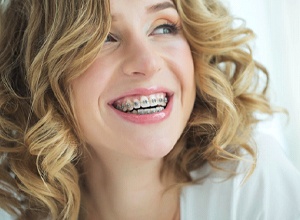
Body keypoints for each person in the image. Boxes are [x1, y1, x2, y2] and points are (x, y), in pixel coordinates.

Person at [0, 0, 299, 219]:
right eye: (104, 37)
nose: (147, 62)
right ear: (38, 73)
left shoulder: (250, 182)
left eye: (164, 27)